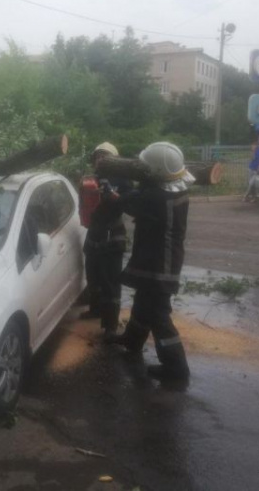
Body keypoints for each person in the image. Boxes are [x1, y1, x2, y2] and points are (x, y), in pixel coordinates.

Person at [105, 142, 194, 382]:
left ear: (155, 171)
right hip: (158, 256)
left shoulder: (155, 196)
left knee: (158, 315)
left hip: (160, 262)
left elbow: (131, 202)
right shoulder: (175, 187)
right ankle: (132, 341)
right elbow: (141, 196)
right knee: (144, 302)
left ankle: (176, 368)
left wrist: (113, 195)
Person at [79, 142, 130, 339]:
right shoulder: (91, 179)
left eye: (105, 155)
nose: (100, 159)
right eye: (98, 155)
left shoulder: (123, 180)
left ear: (114, 159)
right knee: (93, 276)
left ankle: (110, 326)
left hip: (112, 233)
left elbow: (130, 204)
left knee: (111, 282)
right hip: (93, 233)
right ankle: (96, 310)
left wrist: (113, 196)